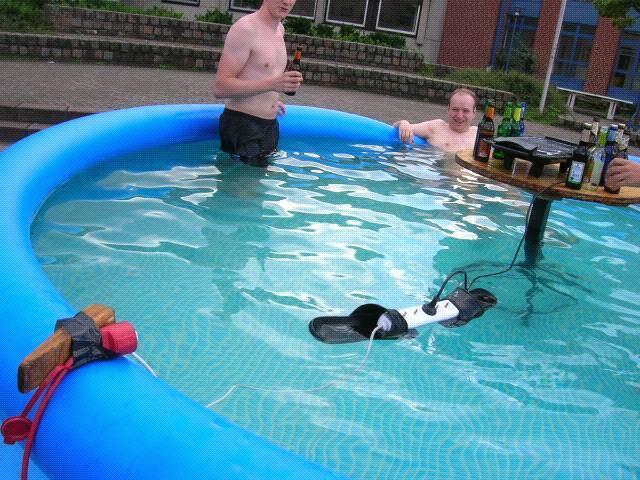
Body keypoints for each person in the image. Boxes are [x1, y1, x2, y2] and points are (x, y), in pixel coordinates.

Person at [213, 0, 302, 167]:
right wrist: (272, 85)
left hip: (270, 125)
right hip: (242, 124)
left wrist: (271, 99)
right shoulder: (245, 29)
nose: (287, 1)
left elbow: (260, 74)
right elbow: (220, 87)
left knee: (260, 181)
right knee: (245, 182)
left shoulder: (280, 30)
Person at [394, 88, 478, 153]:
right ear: (448, 109)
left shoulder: (478, 136)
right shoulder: (436, 127)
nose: (459, 116)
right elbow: (397, 127)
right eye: (455, 109)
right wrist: (403, 123)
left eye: (465, 111)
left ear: (474, 113)